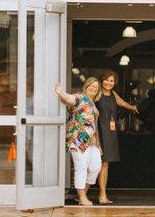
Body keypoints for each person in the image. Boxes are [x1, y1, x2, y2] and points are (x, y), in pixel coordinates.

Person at [54, 78, 102, 206]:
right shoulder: (81, 97)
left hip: (92, 141)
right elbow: (70, 99)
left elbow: (93, 123)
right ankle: (82, 197)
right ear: (86, 87)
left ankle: (82, 194)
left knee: (95, 167)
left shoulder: (93, 102)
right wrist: (60, 92)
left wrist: (96, 141)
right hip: (79, 139)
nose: (94, 88)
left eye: (96, 87)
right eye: (91, 85)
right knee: (81, 168)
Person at [95, 71, 138, 204]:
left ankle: (101, 195)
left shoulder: (113, 94)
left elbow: (123, 103)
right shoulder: (97, 93)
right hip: (98, 132)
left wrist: (134, 108)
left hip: (110, 133)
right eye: (107, 80)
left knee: (105, 163)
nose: (109, 83)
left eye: (112, 81)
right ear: (102, 80)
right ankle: (89, 194)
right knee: (96, 163)